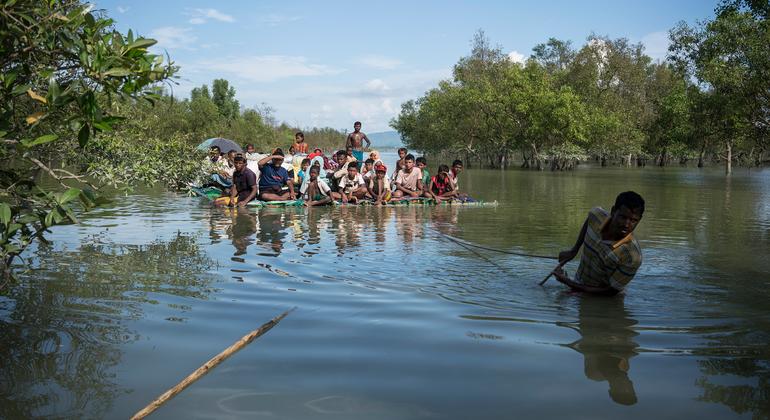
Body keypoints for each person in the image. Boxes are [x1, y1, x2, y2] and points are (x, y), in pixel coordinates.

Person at [551, 191, 645, 295]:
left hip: (602, 297)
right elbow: (590, 219)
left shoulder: (632, 257)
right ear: (613, 211)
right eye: (623, 217)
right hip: (578, 284)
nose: (627, 225)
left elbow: (611, 291)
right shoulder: (597, 216)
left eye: (633, 220)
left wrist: (568, 283)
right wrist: (574, 251)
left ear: (639, 220)